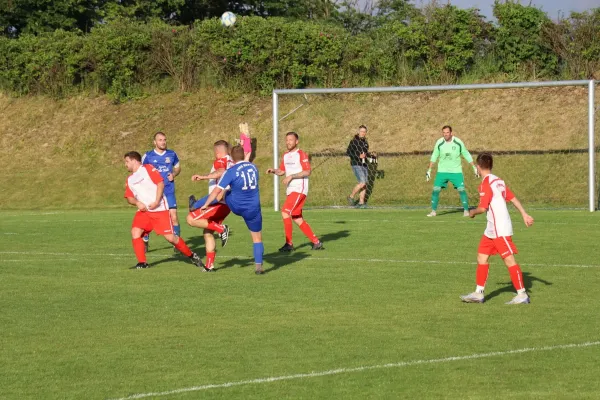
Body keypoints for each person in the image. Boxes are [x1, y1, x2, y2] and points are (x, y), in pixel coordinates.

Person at [460, 153, 534, 305]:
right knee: (482, 256)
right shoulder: (498, 181)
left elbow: (482, 208)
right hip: (491, 229)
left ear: (478, 167)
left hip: (500, 229)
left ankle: (522, 294)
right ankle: (479, 293)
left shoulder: (486, 184)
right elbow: (512, 198)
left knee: (509, 260)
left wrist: (472, 212)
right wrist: (524, 214)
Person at [123, 151, 204, 269]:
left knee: (171, 238)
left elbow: (160, 184)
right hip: (144, 212)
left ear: (134, 161)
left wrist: (156, 201)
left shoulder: (148, 168)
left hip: (160, 209)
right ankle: (142, 262)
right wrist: (137, 202)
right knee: (135, 232)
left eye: (127, 161)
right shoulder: (130, 179)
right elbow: (129, 197)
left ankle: (192, 255)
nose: (125, 164)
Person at [199, 145, 265, 275]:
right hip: (253, 207)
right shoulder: (254, 167)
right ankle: (259, 266)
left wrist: (205, 204)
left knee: (222, 192)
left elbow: (216, 190)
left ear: (232, 158)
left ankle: (196, 204)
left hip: (236, 205)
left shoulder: (231, 171)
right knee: (257, 238)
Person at [267, 132, 324, 252]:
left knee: (285, 212)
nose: (288, 142)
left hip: (299, 189)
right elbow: (282, 171)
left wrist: (292, 176)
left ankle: (289, 243)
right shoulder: (286, 155)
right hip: (291, 189)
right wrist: (274, 170)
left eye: (291, 140)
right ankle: (316, 242)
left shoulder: (301, 154)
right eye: (287, 140)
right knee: (297, 218)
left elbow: (307, 171)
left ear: (296, 141)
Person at [186, 140, 233, 272]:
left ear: (217, 152)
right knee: (207, 232)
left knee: (191, 219)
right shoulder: (232, 161)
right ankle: (210, 265)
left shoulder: (220, 160)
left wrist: (203, 177)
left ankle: (222, 229)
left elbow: (220, 172)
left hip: (217, 202)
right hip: (226, 204)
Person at [426, 125, 478, 217]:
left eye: (447, 132)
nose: (445, 134)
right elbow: (434, 155)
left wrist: (474, 167)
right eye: (444, 133)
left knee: (461, 190)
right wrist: (429, 170)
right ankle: (433, 211)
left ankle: (466, 211)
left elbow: (465, 153)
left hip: (456, 171)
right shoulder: (439, 142)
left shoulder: (458, 142)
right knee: (435, 190)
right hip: (442, 171)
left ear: (451, 133)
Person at [141, 132, 181, 251]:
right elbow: (141, 171)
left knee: (173, 216)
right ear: (155, 142)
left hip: (168, 190)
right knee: (150, 218)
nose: (163, 142)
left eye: (164, 139)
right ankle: (145, 239)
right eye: (160, 140)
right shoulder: (148, 156)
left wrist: (174, 174)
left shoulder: (172, 154)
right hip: (153, 192)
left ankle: (177, 243)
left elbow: (178, 167)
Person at [346, 125, 375, 208]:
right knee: (362, 182)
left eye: (364, 132)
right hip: (356, 164)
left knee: (365, 184)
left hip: (364, 164)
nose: (363, 133)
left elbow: (365, 154)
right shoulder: (354, 141)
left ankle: (361, 203)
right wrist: (358, 156)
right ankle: (351, 196)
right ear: (358, 132)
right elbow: (348, 152)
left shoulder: (365, 142)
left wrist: (371, 155)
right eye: (361, 131)